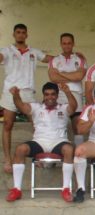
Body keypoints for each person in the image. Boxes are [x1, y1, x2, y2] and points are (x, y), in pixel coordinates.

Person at [6, 82, 77, 202]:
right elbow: (21, 106)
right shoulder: (36, 107)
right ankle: (16, 189)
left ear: (57, 95)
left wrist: (68, 92)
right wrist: (16, 95)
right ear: (43, 95)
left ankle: (65, 189)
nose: (50, 97)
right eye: (47, 94)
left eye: (53, 94)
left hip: (58, 142)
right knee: (20, 149)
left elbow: (74, 106)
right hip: (39, 142)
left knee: (69, 149)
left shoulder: (64, 108)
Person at [0, 24, 52, 173]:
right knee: (8, 125)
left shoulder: (34, 52)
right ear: (14, 34)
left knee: (36, 124)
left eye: (23, 32)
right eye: (18, 32)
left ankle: (40, 156)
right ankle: (8, 160)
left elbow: (50, 59)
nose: (21, 35)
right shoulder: (7, 50)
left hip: (27, 93)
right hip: (10, 92)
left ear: (27, 35)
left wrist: (71, 56)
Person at [48, 33, 87, 146]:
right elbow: (53, 77)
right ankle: (60, 151)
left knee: (77, 126)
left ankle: (79, 155)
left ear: (73, 44)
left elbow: (79, 77)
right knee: (60, 125)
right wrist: (72, 75)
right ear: (61, 44)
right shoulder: (54, 60)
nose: (66, 46)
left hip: (76, 95)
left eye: (69, 43)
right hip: (60, 95)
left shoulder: (80, 59)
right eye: (64, 43)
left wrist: (60, 73)